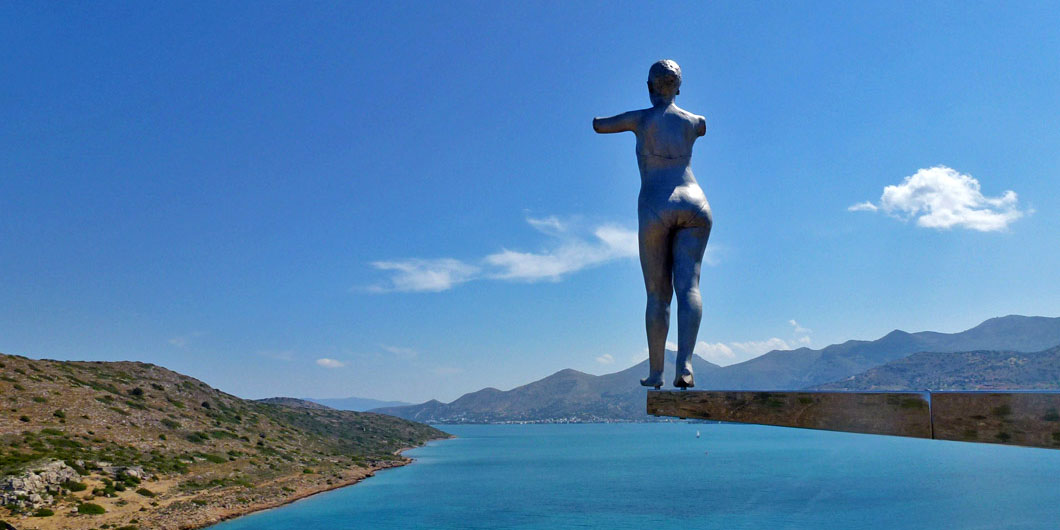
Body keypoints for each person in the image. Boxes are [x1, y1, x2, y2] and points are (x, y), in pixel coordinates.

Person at [593, 60, 712, 389]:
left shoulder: (641, 119)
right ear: (679, 87)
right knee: (689, 287)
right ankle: (685, 366)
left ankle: (658, 372)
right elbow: (701, 124)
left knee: (658, 295)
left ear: (649, 87)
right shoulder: (694, 122)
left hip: (656, 204)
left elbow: (600, 125)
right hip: (696, 203)